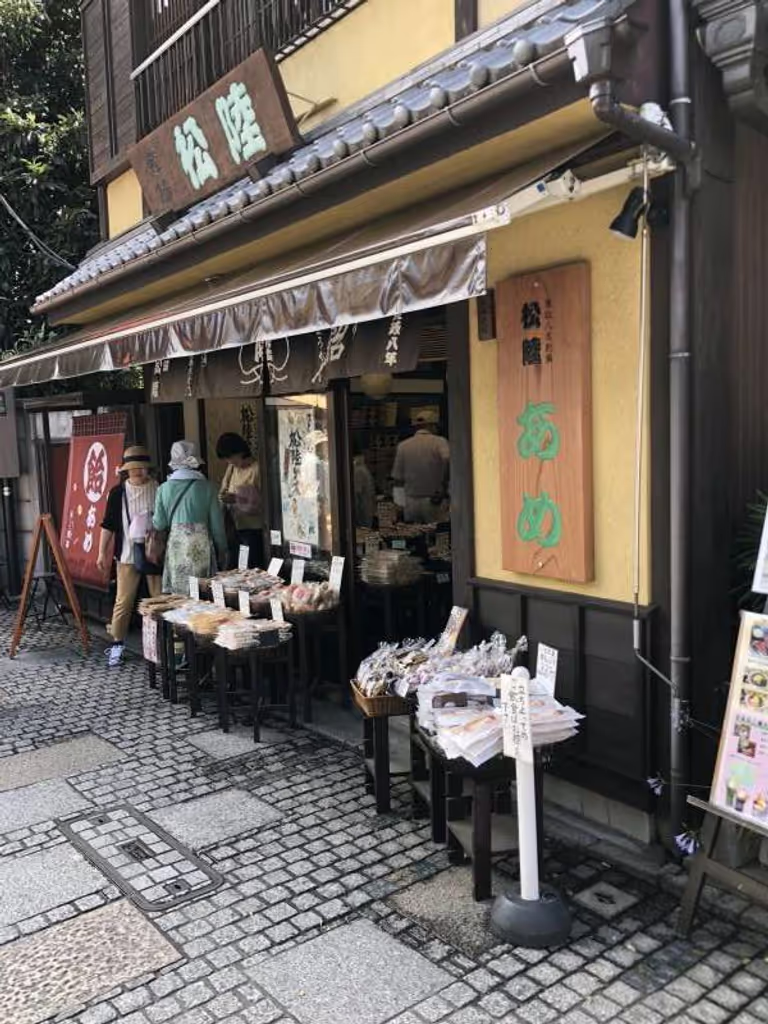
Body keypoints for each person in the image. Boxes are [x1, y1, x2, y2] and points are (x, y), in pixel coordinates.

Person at [97, 444, 161, 668]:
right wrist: (101, 552)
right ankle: (117, 645)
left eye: (141, 468)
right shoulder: (118, 492)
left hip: (154, 553)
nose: (138, 472)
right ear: (126, 470)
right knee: (123, 601)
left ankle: (164, 646)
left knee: (159, 599)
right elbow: (108, 525)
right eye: (133, 468)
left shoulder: (158, 488)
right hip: (126, 554)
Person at [153, 440, 227, 595]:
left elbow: (159, 523)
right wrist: (222, 549)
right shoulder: (208, 488)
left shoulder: (163, 489)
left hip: (177, 548)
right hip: (201, 547)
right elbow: (217, 526)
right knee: (202, 593)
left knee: (180, 596)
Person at [392, 414, 450, 524]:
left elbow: (398, 479)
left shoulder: (403, 446)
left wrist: (399, 504)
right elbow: (448, 460)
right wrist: (443, 488)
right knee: (437, 535)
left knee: (415, 537)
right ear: (432, 425)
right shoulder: (439, 442)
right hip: (433, 500)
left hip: (410, 502)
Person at [216, 432, 263, 568]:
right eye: (227, 459)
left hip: (254, 528)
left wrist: (237, 498)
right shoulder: (232, 468)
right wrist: (225, 497)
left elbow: (263, 501)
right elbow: (223, 490)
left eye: (231, 457)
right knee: (237, 567)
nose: (230, 462)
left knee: (251, 566)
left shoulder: (257, 469)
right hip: (235, 527)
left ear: (240, 451)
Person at [353, 437, 376, 528]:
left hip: (361, 520)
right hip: (365, 517)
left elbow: (356, 499)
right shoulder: (361, 468)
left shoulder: (357, 471)